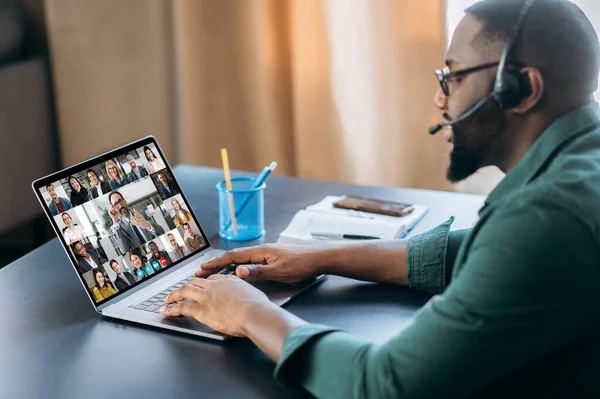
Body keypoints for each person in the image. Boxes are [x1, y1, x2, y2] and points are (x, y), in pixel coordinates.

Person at [158, 1, 600, 397]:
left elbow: (384, 384)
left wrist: (249, 311)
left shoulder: (546, 217)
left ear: (522, 88)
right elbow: (477, 249)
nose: (439, 96)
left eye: (453, 76)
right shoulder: (580, 163)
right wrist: (322, 255)